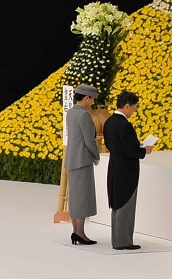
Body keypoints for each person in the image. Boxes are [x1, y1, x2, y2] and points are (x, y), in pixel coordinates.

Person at [103, 91, 153, 250]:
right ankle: (123, 242)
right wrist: (145, 150)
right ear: (126, 106)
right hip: (126, 170)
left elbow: (113, 145)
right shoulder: (125, 125)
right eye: (134, 107)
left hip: (114, 166)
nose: (134, 111)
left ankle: (117, 240)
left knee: (117, 204)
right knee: (126, 204)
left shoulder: (109, 122)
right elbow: (131, 151)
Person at [65, 83, 101, 245]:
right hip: (82, 161)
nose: (92, 102)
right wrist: (96, 155)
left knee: (75, 197)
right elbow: (89, 140)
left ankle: (76, 232)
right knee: (82, 198)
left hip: (72, 159)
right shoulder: (84, 115)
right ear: (86, 98)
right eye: (92, 99)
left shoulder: (71, 112)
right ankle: (80, 233)